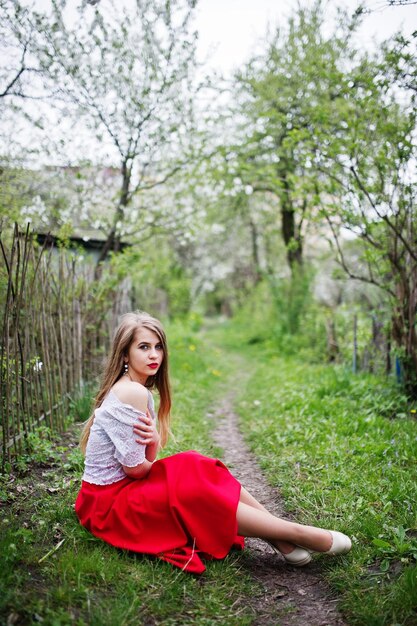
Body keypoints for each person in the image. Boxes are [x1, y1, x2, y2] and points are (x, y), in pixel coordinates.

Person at [75, 311, 351, 574]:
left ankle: (279, 537)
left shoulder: (137, 389)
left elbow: (140, 465)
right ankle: (295, 533)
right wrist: (156, 442)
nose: (154, 355)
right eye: (144, 347)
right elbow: (135, 470)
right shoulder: (131, 391)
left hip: (119, 491)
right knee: (192, 491)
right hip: (107, 505)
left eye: (158, 347)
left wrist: (155, 441)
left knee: (195, 464)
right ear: (125, 353)